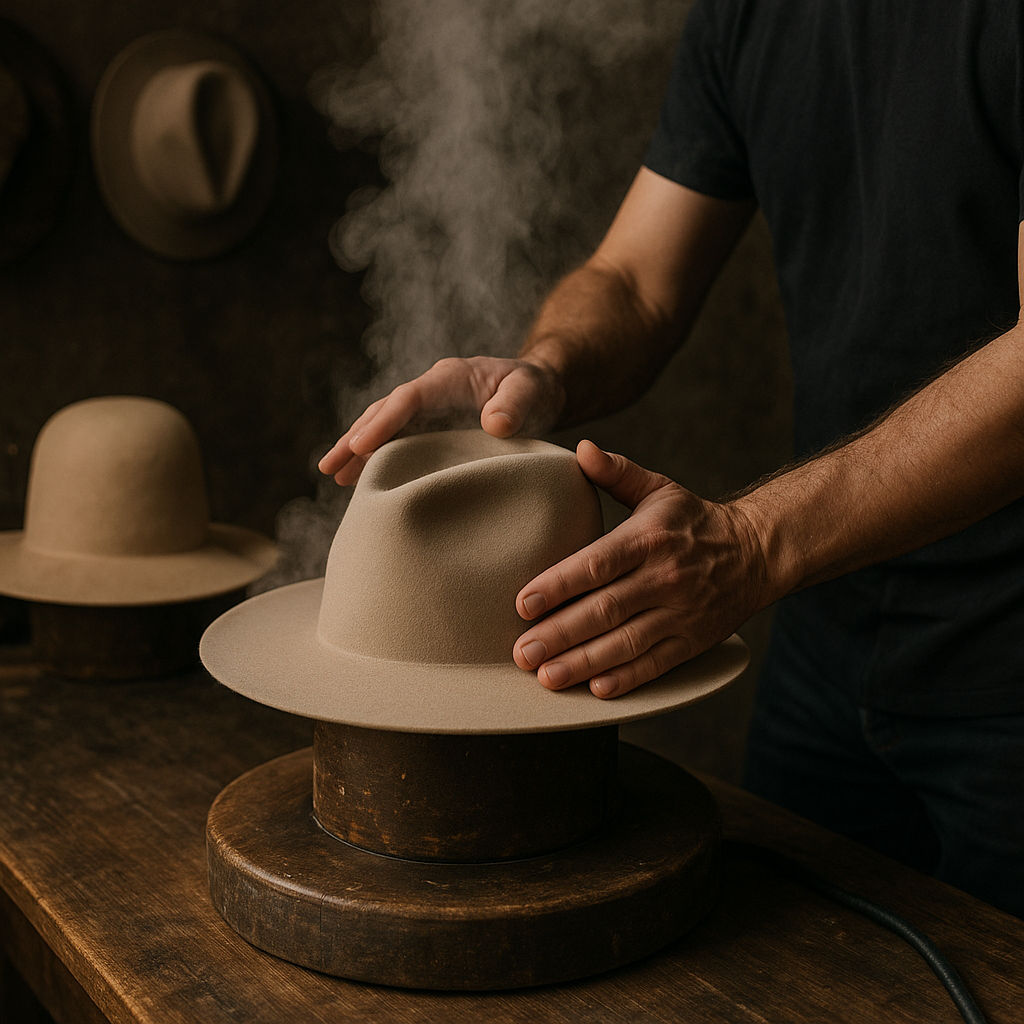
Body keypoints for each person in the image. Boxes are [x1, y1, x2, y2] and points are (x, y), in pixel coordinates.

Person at [319, 0, 1024, 918]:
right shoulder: (749, 17)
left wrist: (750, 544)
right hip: (824, 649)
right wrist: (547, 369)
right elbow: (635, 283)